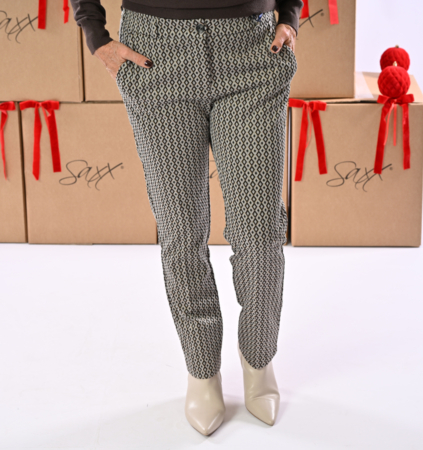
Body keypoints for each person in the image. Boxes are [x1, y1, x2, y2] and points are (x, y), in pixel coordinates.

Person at [70, 0, 303, 436]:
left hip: (250, 48)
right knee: (181, 232)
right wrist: (96, 36)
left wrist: (289, 15)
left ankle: (258, 361)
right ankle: (202, 371)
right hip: (155, 53)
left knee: (259, 232)